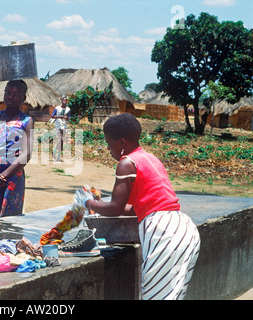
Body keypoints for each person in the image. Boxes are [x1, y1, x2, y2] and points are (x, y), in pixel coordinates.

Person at [75, 113, 200, 300]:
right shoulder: (150, 159)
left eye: (109, 143)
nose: (108, 148)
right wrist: (100, 205)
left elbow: (116, 208)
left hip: (163, 232)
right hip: (184, 228)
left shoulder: (126, 163)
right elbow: (136, 208)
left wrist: (86, 201)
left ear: (122, 142)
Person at [0, 80, 34, 221]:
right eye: (8, 93)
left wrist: (3, 176)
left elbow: (26, 154)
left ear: (23, 98)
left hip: (12, 178)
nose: (11, 97)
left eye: (16, 94)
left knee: (8, 222)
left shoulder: (26, 121)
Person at [50, 96, 70, 162]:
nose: (64, 102)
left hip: (64, 126)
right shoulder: (57, 108)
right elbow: (52, 116)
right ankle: (56, 154)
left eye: (65, 100)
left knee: (62, 141)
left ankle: (56, 154)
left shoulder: (68, 109)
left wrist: (66, 117)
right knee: (60, 139)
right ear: (61, 101)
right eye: (63, 100)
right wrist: (59, 117)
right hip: (58, 125)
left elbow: (69, 117)